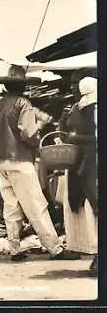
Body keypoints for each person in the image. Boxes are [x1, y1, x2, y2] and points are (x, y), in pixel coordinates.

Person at [0, 64, 80, 262]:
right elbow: (28, 133)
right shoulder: (23, 104)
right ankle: (55, 248)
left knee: (11, 207)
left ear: (6, 86)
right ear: (23, 86)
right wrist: (36, 141)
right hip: (21, 161)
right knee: (36, 205)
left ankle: (15, 248)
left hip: (2, 163)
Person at [60, 75, 98, 276]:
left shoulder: (94, 107)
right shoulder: (75, 107)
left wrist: (77, 138)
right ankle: (92, 251)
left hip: (92, 161)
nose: (73, 87)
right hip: (77, 162)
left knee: (95, 206)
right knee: (86, 208)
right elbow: (64, 131)